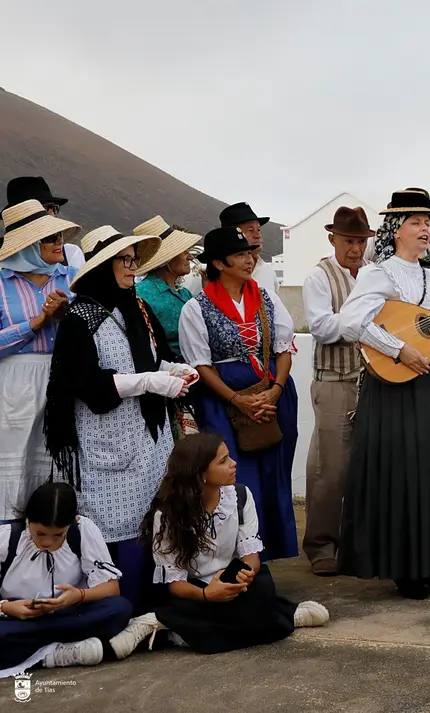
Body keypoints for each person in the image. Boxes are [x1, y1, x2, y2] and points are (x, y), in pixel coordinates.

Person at [337, 190, 430, 599]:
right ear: (396, 228)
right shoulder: (378, 273)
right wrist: (396, 349)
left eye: (428, 224)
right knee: (402, 466)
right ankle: (406, 569)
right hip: (395, 381)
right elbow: (351, 323)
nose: (426, 230)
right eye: (417, 223)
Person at [44, 226, 192, 609]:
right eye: (125, 261)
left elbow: (150, 358)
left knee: (154, 520)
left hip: (148, 437)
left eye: (134, 260)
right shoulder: (81, 317)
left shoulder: (135, 308)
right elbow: (90, 385)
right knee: (117, 526)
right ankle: (123, 606)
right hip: (105, 440)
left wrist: (174, 371)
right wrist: (151, 381)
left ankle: (158, 604)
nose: (133, 268)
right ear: (103, 266)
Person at [143, 433, 329, 653]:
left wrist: (245, 574)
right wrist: (207, 594)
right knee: (199, 610)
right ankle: (281, 617)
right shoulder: (167, 515)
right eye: (223, 461)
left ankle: (182, 629)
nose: (233, 464)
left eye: (229, 457)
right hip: (194, 591)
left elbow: (251, 558)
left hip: (231, 580)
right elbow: (175, 583)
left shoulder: (239, 496)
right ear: (201, 473)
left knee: (261, 585)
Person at [178, 226, 299, 561]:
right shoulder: (196, 308)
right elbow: (201, 365)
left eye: (250, 253)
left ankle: (266, 552)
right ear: (218, 262)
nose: (249, 260)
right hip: (222, 398)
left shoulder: (266, 298)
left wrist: (275, 391)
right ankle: (233, 556)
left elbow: (284, 348)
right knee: (232, 472)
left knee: (274, 469)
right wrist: (237, 400)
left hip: (272, 390)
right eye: (240, 254)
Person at [0, 483, 161, 675]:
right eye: (40, 533)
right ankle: (59, 652)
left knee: (119, 608)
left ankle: (39, 651)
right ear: (28, 520)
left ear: (72, 522)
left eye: (58, 535)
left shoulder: (82, 530)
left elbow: (111, 588)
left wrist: (79, 595)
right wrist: (6, 608)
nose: (47, 542)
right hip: (16, 618)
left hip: (68, 613)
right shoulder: (7, 538)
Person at [300, 206, 372, 576]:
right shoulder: (320, 275)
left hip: (369, 379)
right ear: (333, 239)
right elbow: (321, 327)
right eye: (349, 241)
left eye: (361, 241)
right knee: (332, 468)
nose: (356, 248)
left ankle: (349, 540)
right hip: (333, 380)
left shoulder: (370, 274)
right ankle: (321, 545)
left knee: (350, 464)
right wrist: (365, 323)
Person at [0, 200, 80, 518]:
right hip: (15, 380)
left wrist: (66, 316)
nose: (59, 243)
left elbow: (91, 327)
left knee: (57, 458)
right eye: (50, 238)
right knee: (14, 460)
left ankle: (56, 539)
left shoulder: (72, 277)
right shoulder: (1, 283)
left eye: (59, 236)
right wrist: (36, 322)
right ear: (29, 244)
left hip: (62, 376)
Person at [133, 217, 202, 361]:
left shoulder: (184, 293)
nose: (190, 257)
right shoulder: (141, 294)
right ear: (168, 259)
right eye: (184, 252)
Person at [6, 177, 85, 269]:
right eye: (45, 208)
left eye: (54, 208)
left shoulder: (70, 254)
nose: (51, 214)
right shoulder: (3, 270)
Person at [218, 202, 279, 293]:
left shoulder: (268, 271)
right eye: (250, 230)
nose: (257, 235)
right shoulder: (209, 275)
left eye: (258, 229)